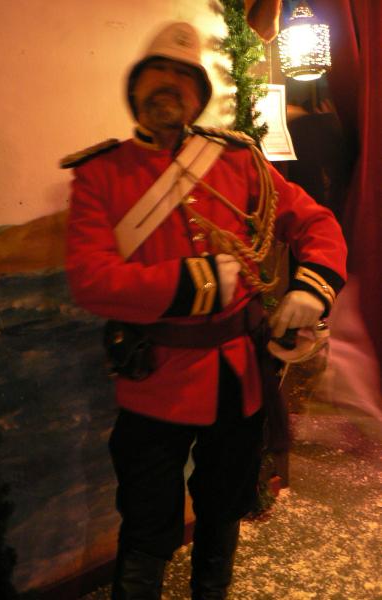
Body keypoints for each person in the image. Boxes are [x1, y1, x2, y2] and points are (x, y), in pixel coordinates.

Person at [64, 22, 347, 600]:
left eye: (182, 77)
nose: (169, 85)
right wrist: (195, 284)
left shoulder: (238, 161)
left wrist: (310, 289)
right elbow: (92, 281)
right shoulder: (100, 174)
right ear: (135, 91)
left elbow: (315, 223)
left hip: (237, 379)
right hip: (154, 386)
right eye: (156, 75)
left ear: (198, 95)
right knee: (147, 525)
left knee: (221, 512)